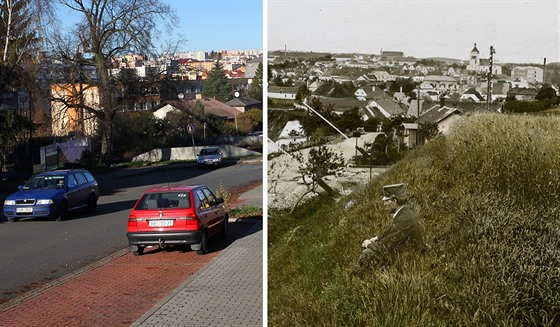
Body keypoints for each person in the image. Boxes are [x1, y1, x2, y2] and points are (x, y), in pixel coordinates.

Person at [358, 183, 425, 268]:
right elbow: (391, 230)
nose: (384, 204)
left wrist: (368, 244)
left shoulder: (404, 219)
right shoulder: (404, 212)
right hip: (408, 254)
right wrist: (376, 238)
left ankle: (364, 277)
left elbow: (386, 245)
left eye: (386, 201)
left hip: (412, 260)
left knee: (367, 254)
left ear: (394, 202)